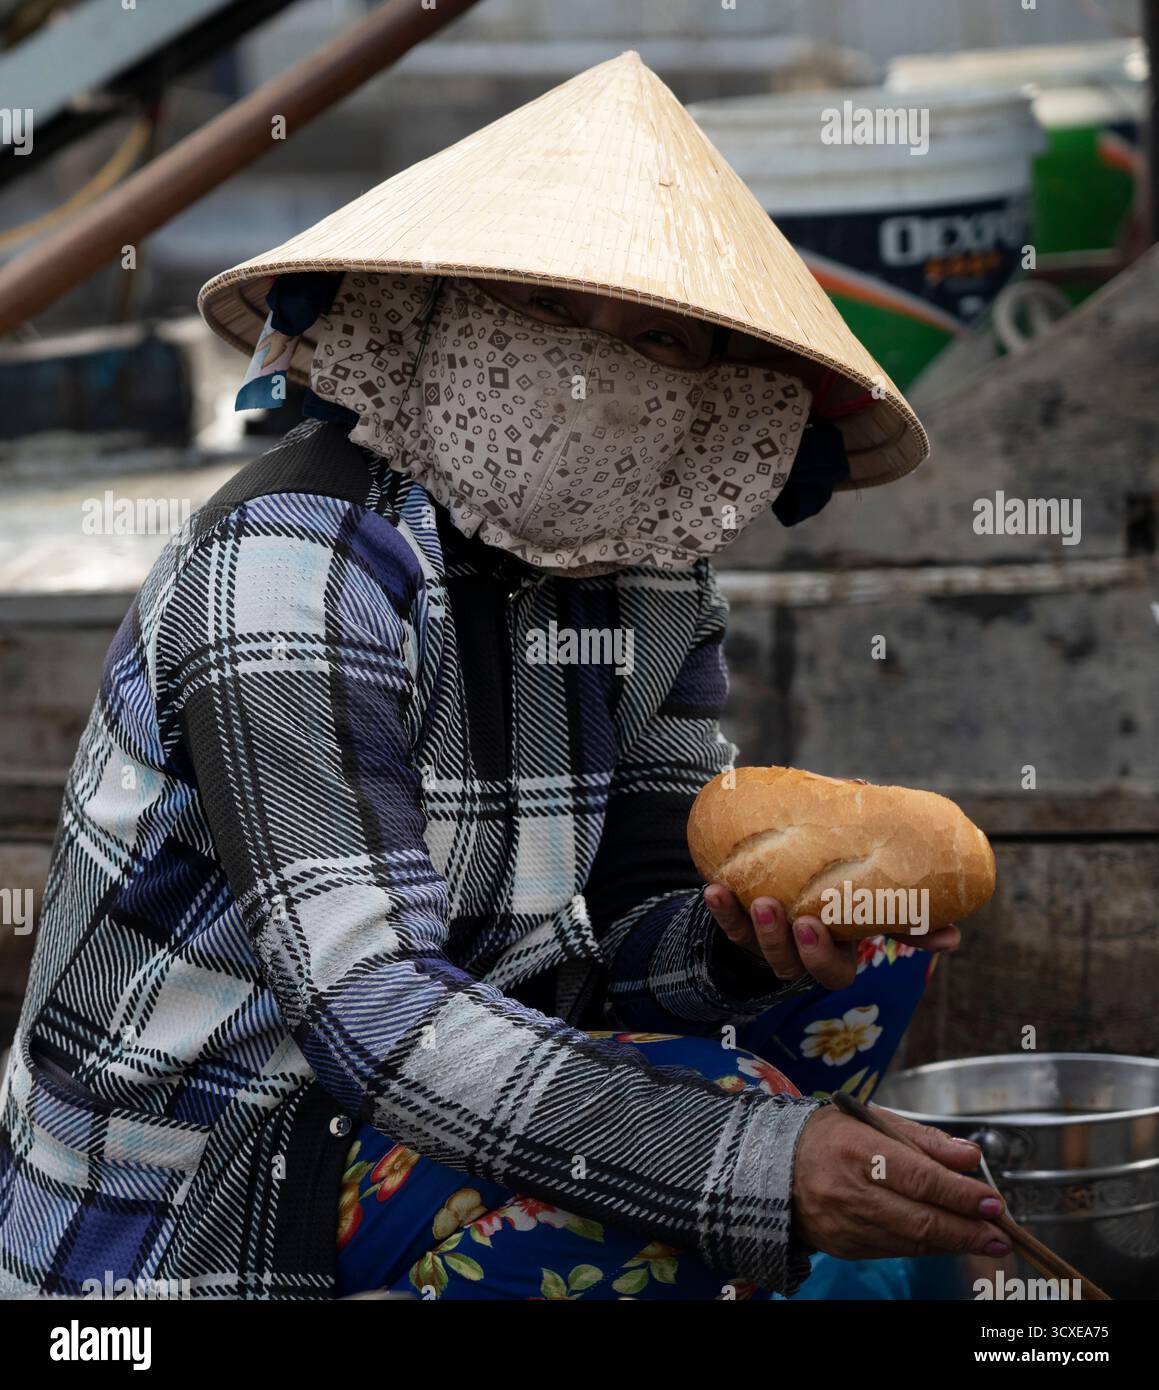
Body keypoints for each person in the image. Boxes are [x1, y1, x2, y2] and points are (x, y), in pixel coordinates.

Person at [0, 52, 1009, 1301]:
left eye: (651, 338)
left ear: (707, 393)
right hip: (215, 1175)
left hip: (466, 1065)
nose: (587, 376)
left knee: (863, 962)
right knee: (730, 1134)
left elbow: (631, 919)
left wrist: (745, 946)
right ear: (441, 316)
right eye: (543, 312)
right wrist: (755, 1157)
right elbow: (367, 1009)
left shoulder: (652, 572)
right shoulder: (295, 564)